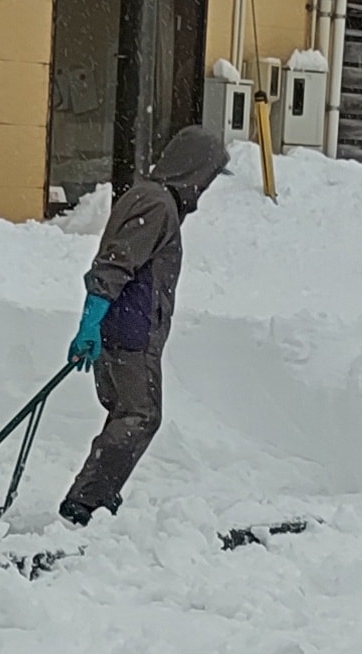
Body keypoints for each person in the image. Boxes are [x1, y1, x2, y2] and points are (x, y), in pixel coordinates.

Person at [57, 123, 233, 525]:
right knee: (140, 416)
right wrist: (91, 321)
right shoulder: (156, 204)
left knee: (127, 413)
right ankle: (85, 502)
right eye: (207, 177)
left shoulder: (149, 198)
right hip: (130, 333)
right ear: (193, 170)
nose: (204, 190)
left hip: (124, 327)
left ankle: (97, 494)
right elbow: (114, 265)